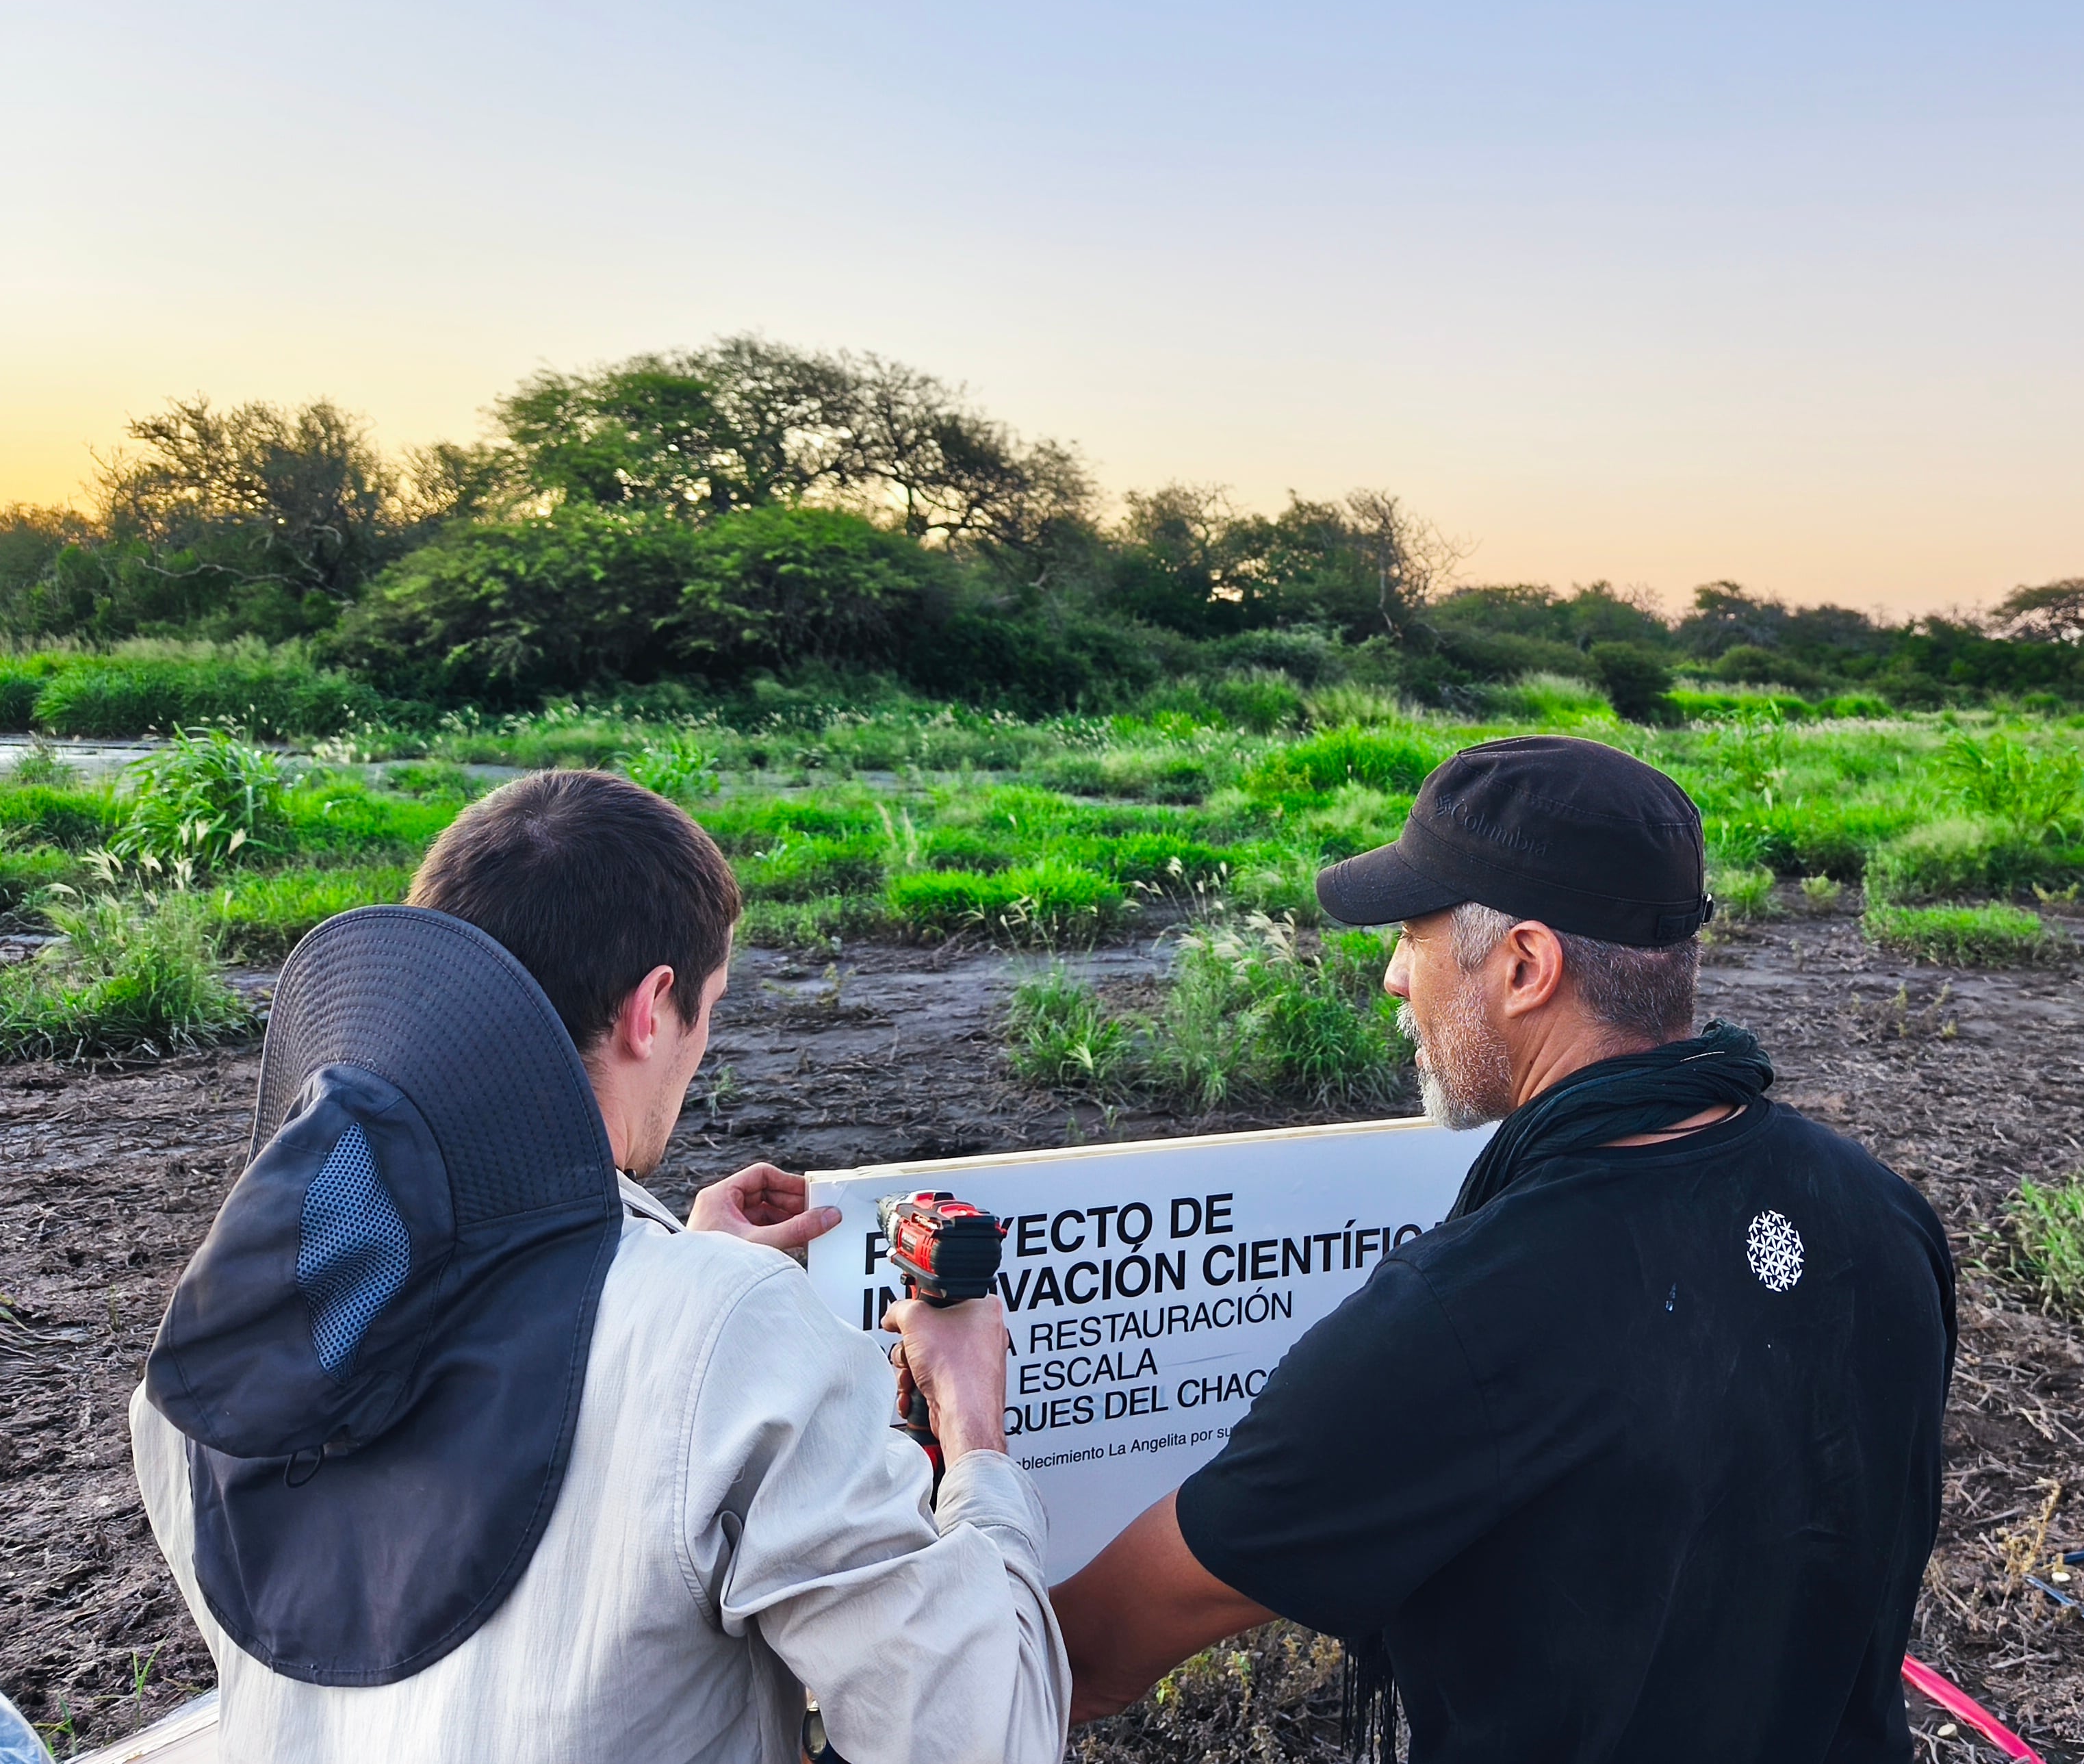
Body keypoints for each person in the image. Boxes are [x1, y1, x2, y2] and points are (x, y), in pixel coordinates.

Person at [130, 769, 1068, 1763]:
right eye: (710, 1008)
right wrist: (974, 1435)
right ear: (652, 1008)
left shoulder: (222, 1332)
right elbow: (983, 1742)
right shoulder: (731, 1334)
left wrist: (684, 1274)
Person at [1055, 735, 1955, 1763]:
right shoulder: (1879, 1211)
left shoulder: (1461, 1319)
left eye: (1413, 936)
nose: (1396, 979)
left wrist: (971, 1430)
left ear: (1527, 965)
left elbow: (1086, 1651)